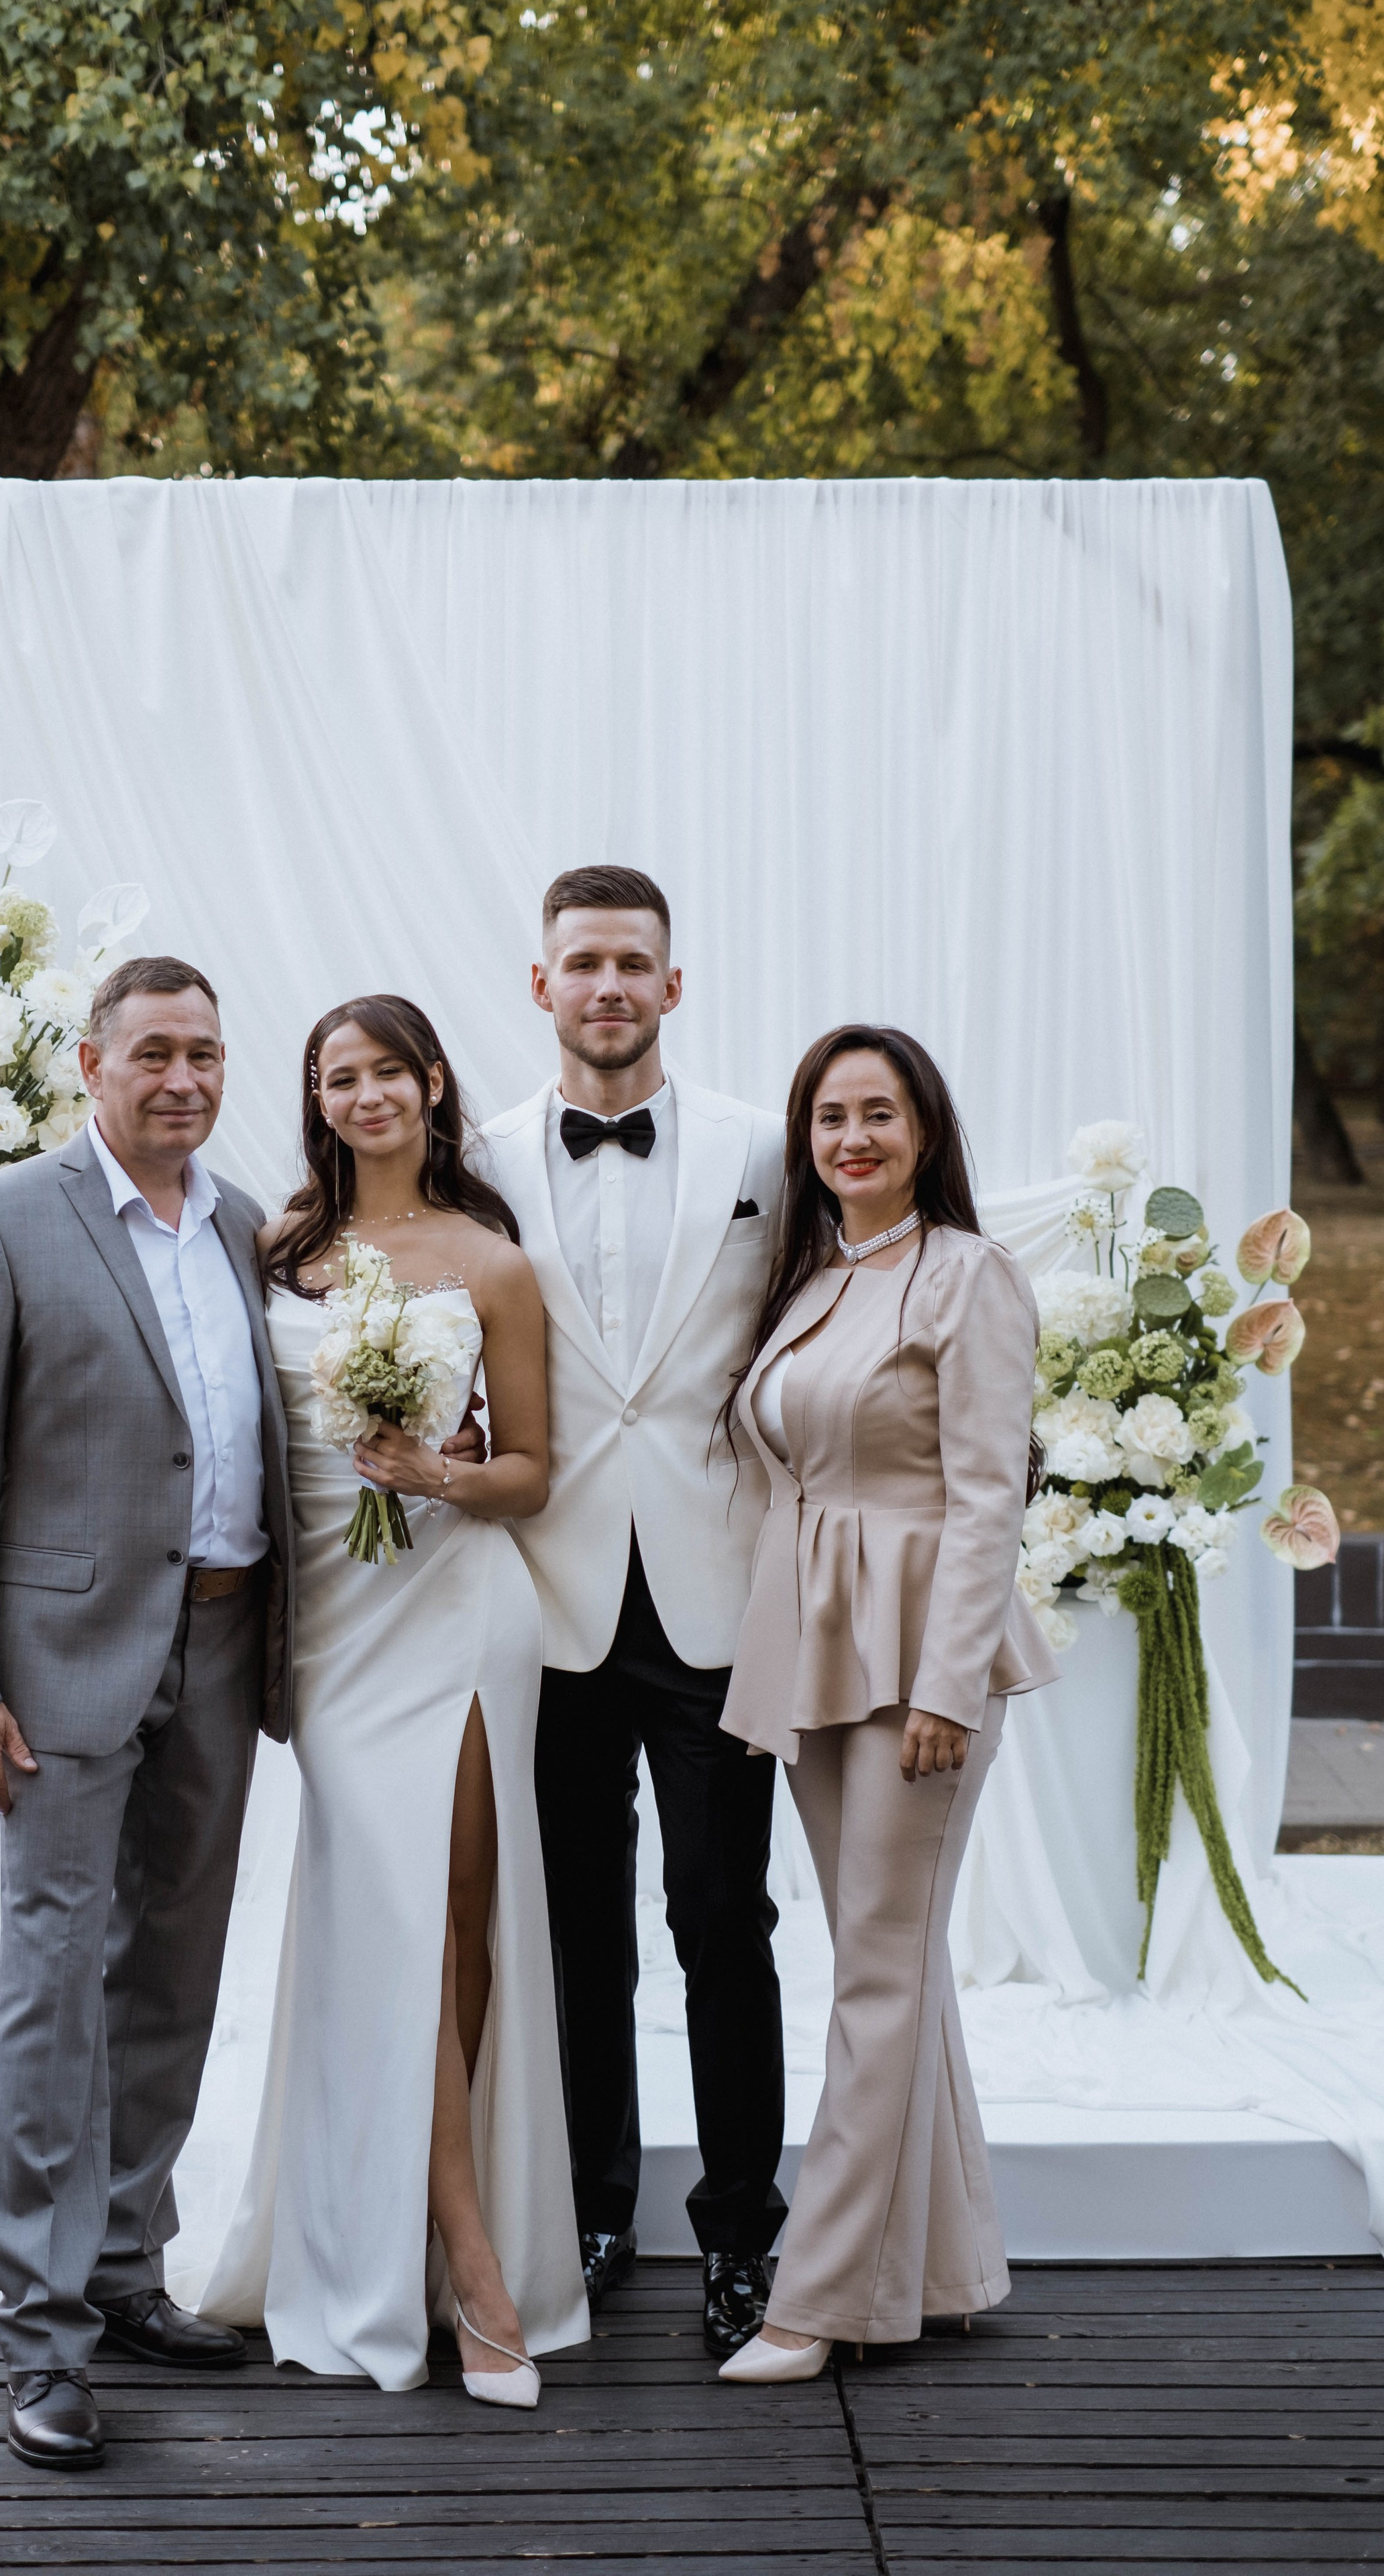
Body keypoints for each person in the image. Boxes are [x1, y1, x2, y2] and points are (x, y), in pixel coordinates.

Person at [0, 956, 296, 2471]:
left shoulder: (249, 1227)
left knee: (172, 1976)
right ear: (90, 1063)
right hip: (58, 1666)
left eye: (206, 1053)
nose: (184, 1079)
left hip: (224, 1643)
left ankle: (128, 2268)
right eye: (155, 1053)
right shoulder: (1, 1220)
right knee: (54, 1987)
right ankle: (42, 2332)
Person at [201, 996, 587, 2399]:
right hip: (332, 1624)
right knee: (386, 1915)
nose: (364, 1096)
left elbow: (530, 1472)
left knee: (461, 1921)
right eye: (336, 1077)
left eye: (386, 1073)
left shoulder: (491, 1261)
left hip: (459, 1612)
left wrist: (435, 1473)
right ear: (316, 1099)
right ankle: (470, 2266)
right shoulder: (272, 1251)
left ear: (430, 1084)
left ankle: (443, 2239)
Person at [713, 1024, 1058, 2384]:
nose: (851, 1138)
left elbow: (987, 1493)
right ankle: (943, 2267)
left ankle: (817, 2298)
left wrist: (949, 1685)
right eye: (829, 1117)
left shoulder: (967, 1274)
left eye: (878, 1113)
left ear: (923, 1132)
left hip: (920, 1655)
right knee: (891, 1960)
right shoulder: (809, 1278)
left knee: (876, 1966)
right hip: (815, 1645)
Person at [485, 868, 788, 2359]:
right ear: (540, 984)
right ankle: (590, 2211)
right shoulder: (477, 1159)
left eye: (633, 963)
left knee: (722, 1917)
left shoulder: (763, 1149)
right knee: (573, 1926)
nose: (607, 985)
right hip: (543, 1596)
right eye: (582, 962)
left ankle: (740, 2234)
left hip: (717, 1593)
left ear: (673, 986)